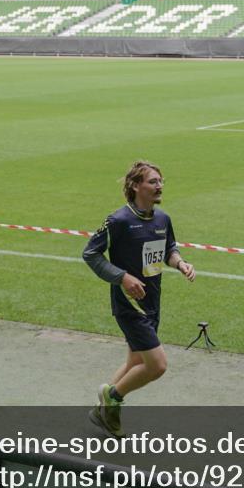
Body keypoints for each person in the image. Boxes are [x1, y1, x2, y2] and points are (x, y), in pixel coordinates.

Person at [82, 161, 195, 437]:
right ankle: (112, 397)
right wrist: (122, 277)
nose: (160, 186)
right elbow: (90, 253)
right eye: (153, 181)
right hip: (129, 305)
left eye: (161, 181)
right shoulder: (118, 221)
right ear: (135, 186)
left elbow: (168, 247)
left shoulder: (162, 219)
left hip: (152, 302)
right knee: (157, 366)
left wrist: (180, 263)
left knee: (135, 363)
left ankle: (105, 411)